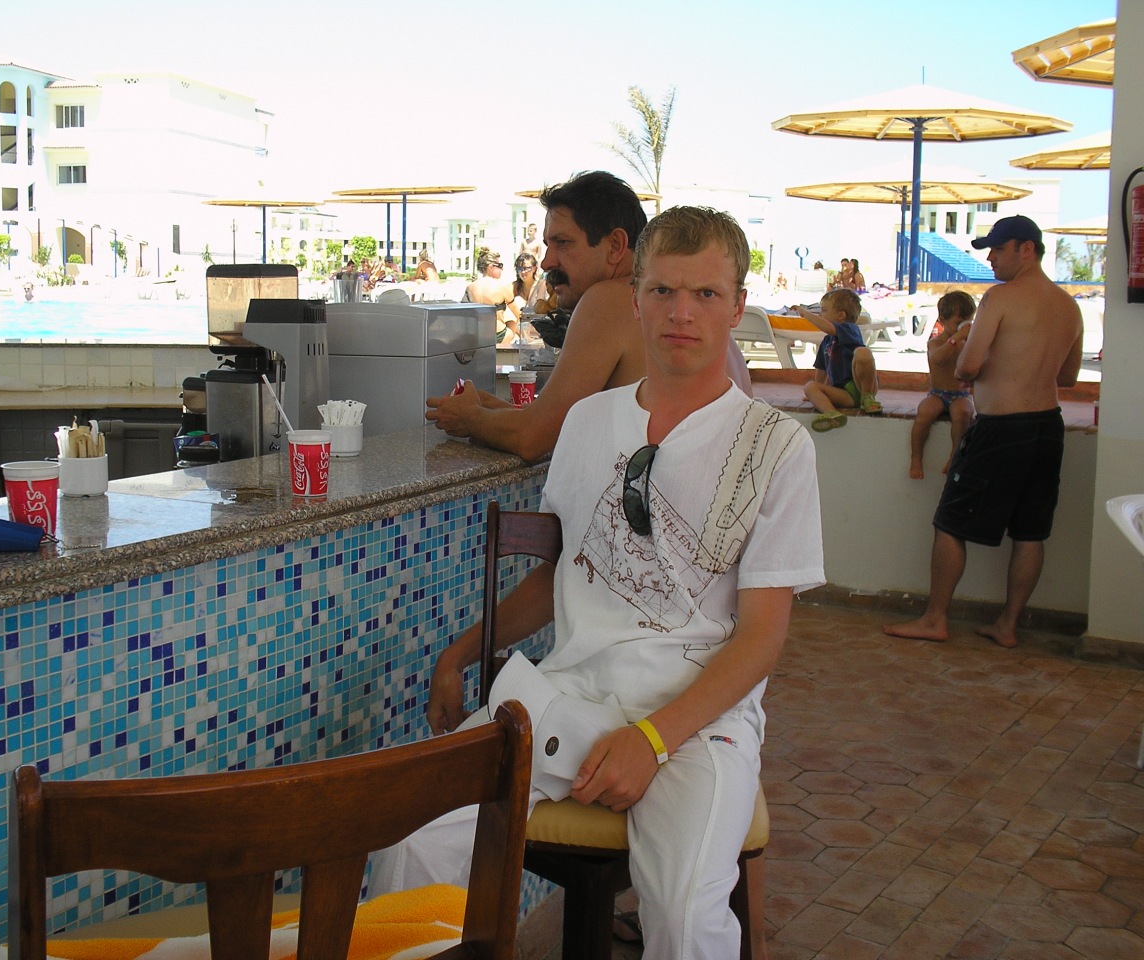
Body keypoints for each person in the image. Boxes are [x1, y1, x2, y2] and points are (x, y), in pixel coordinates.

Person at [373, 205, 824, 960]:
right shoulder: (587, 422)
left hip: (698, 721)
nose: (682, 312)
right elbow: (562, 574)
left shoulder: (775, 447)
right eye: (663, 290)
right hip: (571, 692)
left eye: (706, 294)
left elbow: (761, 639)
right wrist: (460, 652)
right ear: (635, 298)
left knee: (683, 914)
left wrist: (650, 739)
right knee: (411, 840)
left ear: (737, 306)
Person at [425, 170, 752, 461]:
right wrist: (487, 408)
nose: (547, 262)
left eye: (563, 243)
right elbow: (569, 424)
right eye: (548, 245)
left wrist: (471, 418)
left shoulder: (609, 298)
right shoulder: (706, 328)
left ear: (616, 245)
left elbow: (533, 438)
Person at [885, 216, 1083, 648]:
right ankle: (1007, 625)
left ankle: (935, 619)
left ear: (1026, 249)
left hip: (1001, 427)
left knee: (950, 522)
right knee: (1030, 531)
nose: (990, 257)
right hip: (1047, 427)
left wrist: (983, 351)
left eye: (997, 248)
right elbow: (1067, 377)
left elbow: (966, 368)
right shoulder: (1069, 306)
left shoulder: (1000, 298)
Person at [793, 288, 882, 431]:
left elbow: (828, 327)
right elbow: (821, 369)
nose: (820, 314)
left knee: (862, 352)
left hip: (860, 386)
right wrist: (816, 393)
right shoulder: (826, 342)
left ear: (841, 315)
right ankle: (832, 414)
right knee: (810, 386)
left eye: (824, 310)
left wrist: (806, 314)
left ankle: (868, 398)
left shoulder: (850, 329)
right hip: (844, 394)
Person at [909, 291, 976, 480]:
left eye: (968, 322)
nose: (963, 327)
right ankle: (916, 457)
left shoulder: (968, 343)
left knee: (963, 413)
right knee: (925, 412)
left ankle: (955, 456)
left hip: (961, 395)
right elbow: (937, 359)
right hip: (938, 393)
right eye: (959, 323)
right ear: (942, 321)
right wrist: (955, 339)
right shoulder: (936, 342)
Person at [464, 248, 519, 345]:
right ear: (490, 267)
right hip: (498, 335)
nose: (502, 269)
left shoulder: (470, 287)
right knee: (512, 322)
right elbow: (518, 314)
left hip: (476, 337)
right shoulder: (502, 286)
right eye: (500, 266)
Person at [510, 251, 547, 316]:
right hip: (518, 320)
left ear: (534, 269)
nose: (523, 272)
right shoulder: (514, 286)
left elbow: (539, 308)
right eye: (519, 268)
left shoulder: (540, 284)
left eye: (526, 268)